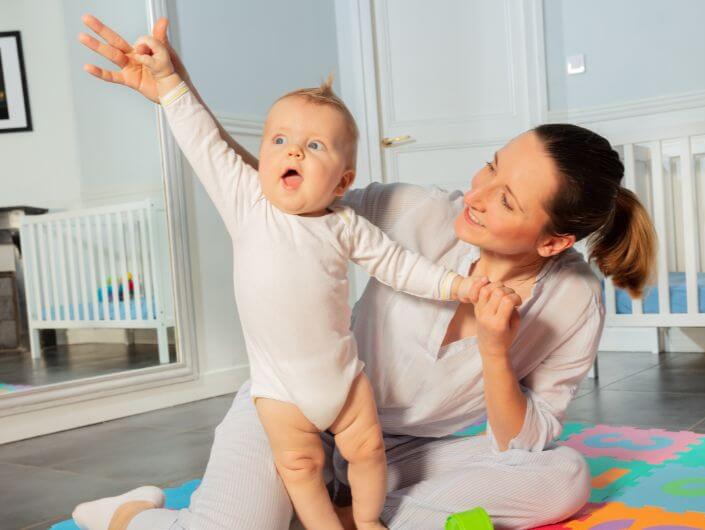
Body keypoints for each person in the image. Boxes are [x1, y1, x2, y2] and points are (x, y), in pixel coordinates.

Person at [73, 13, 657, 530]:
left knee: (564, 476)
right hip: (292, 409)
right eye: (490, 167)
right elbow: (280, 193)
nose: (477, 194)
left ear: (554, 240)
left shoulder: (574, 300)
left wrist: (496, 353)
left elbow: (520, 442)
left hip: (397, 455)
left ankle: (343, 518)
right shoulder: (416, 210)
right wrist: (177, 91)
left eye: (507, 201)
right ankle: (130, 514)